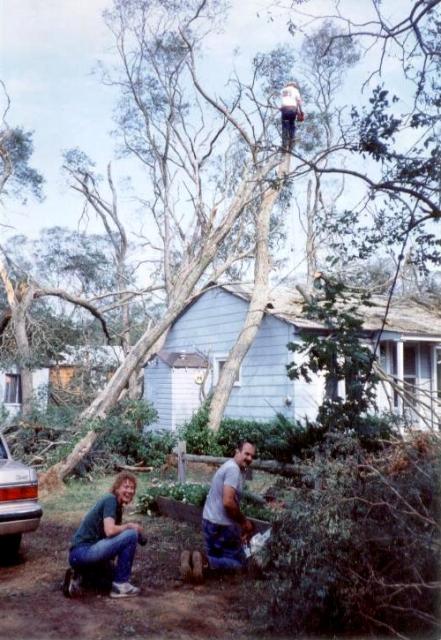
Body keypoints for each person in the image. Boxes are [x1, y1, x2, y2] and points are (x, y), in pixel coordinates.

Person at [63, 471, 144, 599]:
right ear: (117, 488)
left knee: (108, 578)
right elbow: (110, 531)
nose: (130, 491)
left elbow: (110, 539)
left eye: (132, 488)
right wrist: (129, 527)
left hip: (78, 556)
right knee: (131, 535)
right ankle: (121, 586)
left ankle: (78, 578)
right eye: (126, 487)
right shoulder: (110, 500)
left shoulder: (117, 507)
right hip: (84, 551)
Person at [201, 440, 256, 572]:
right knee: (240, 564)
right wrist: (244, 522)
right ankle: (207, 561)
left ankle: (201, 561)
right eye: (246, 454)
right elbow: (228, 502)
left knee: (217, 557)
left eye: (252, 456)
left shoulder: (228, 465)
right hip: (222, 525)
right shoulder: (233, 470)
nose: (249, 458)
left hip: (208, 521)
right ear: (237, 451)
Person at [280, 81, 304, 150]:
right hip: (292, 109)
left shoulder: (283, 90)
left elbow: (283, 101)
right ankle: (291, 142)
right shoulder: (295, 90)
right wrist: (301, 112)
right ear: (294, 85)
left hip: (284, 110)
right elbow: (299, 102)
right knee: (292, 125)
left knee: (284, 126)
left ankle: (284, 144)